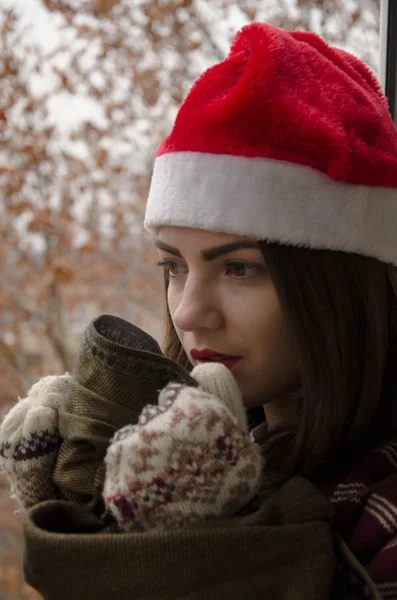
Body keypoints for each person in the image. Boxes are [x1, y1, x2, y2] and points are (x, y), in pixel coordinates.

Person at [1, 21, 397, 600]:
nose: (188, 313)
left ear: (339, 286)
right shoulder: (205, 451)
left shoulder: (381, 511)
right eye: (174, 266)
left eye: (240, 268)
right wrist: (86, 512)